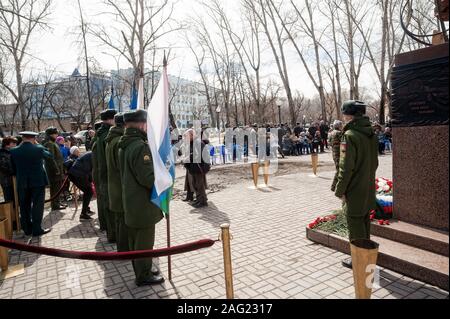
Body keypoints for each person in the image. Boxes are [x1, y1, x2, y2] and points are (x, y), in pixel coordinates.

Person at [118, 110, 164, 286]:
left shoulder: (125, 143)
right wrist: (162, 179)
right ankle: (143, 275)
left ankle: (142, 268)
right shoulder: (139, 147)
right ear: (142, 124)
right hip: (142, 203)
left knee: (135, 239)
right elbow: (147, 179)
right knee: (144, 241)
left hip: (130, 201)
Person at [334, 101, 378, 269]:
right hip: (367, 185)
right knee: (365, 221)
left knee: (355, 223)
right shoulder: (371, 133)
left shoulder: (350, 135)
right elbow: (375, 163)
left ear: (348, 115)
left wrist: (340, 190)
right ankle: (366, 255)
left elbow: (346, 169)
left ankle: (359, 260)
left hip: (354, 189)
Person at [10, 132, 53, 236]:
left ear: (23, 138)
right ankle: (37, 229)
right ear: (34, 138)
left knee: (24, 206)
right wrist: (39, 145)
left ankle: (27, 229)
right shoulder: (38, 148)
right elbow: (49, 156)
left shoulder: (13, 151)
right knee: (38, 205)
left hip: (22, 182)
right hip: (38, 182)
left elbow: (12, 168)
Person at [92, 109, 117, 241]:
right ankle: (112, 233)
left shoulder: (99, 134)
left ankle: (105, 227)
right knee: (110, 205)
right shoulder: (107, 134)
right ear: (111, 119)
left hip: (100, 174)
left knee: (103, 203)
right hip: (107, 174)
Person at [105, 113, 127, 252]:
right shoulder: (119, 141)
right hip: (119, 187)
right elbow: (122, 167)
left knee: (119, 219)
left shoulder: (111, 139)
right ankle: (124, 249)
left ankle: (122, 247)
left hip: (114, 186)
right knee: (123, 221)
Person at [183, 129, 211, 208]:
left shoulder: (198, 143)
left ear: (192, 135)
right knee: (195, 184)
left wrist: (189, 157)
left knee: (199, 185)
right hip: (194, 167)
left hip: (199, 167)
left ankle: (202, 201)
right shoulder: (192, 143)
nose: (186, 138)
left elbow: (200, 155)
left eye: (187, 136)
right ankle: (199, 199)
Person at [43, 127, 67, 211]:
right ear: (50, 134)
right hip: (54, 170)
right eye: (55, 133)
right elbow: (50, 158)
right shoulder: (49, 143)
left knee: (58, 187)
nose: (57, 135)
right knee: (55, 188)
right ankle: (55, 205)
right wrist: (56, 170)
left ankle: (57, 202)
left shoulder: (53, 143)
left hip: (58, 169)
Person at [68, 151, 95, 221]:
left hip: (77, 174)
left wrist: (90, 181)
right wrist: (90, 181)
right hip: (76, 175)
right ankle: (83, 214)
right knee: (89, 192)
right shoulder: (92, 155)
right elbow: (87, 170)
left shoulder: (91, 153)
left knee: (88, 191)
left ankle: (86, 209)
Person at [0, 136, 18, 202]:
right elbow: (3, 167)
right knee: (9, 201)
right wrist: (14, 172)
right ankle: (10, 212)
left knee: (15, 200)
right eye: (13, 143)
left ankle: (15, 212)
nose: (15, 145)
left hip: (14, 181)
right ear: (7, 144)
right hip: (7, 182)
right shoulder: (2, 154)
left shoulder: (10, 152)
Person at [329, 120, 343, 192]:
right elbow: (344, 143)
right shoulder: (339, 133)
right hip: (339, 154)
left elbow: (329, 143)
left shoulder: (331, 133)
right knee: (339, 170)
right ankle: (333, 186)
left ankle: (336, 186)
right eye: (341, 125)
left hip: (334, 153)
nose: (342, 126)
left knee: (338, 169)